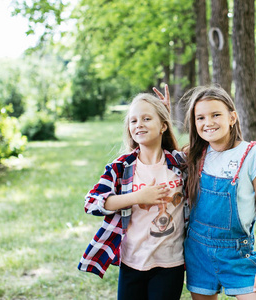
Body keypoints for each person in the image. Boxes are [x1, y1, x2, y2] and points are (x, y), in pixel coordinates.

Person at [78, 87, 188, 300]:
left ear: (164, 125)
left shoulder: (180, 164)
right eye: (134, 121)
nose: (139, 125)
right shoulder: (121, 167)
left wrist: (164, 114)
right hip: (132, 263)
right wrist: (138, 197)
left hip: (170, 264)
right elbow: (92, 203)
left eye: (147, 118)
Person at [182, 85, 256, 300]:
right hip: (198, 252)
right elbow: (159, 153)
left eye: (216, 115)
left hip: (237, 254)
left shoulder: (252, 154)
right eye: (200, 118)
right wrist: (162, 113)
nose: (208, 122)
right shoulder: (194, 154)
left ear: (232, 117)